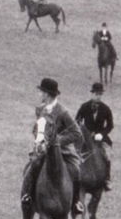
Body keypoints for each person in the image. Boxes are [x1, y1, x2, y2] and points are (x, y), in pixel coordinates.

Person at [20, 78, 83, 208]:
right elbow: (36, 128)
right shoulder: (40, 109)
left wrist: (57, 141)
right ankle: (28, 195)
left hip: (62, 150)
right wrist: (39, 138)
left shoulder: (63, 112)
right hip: (42, 147)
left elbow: (76, 133)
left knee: (76, 169)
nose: (40, 94)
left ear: (47, 94)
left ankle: (76, 202)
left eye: (41, 92)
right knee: (32, 165)